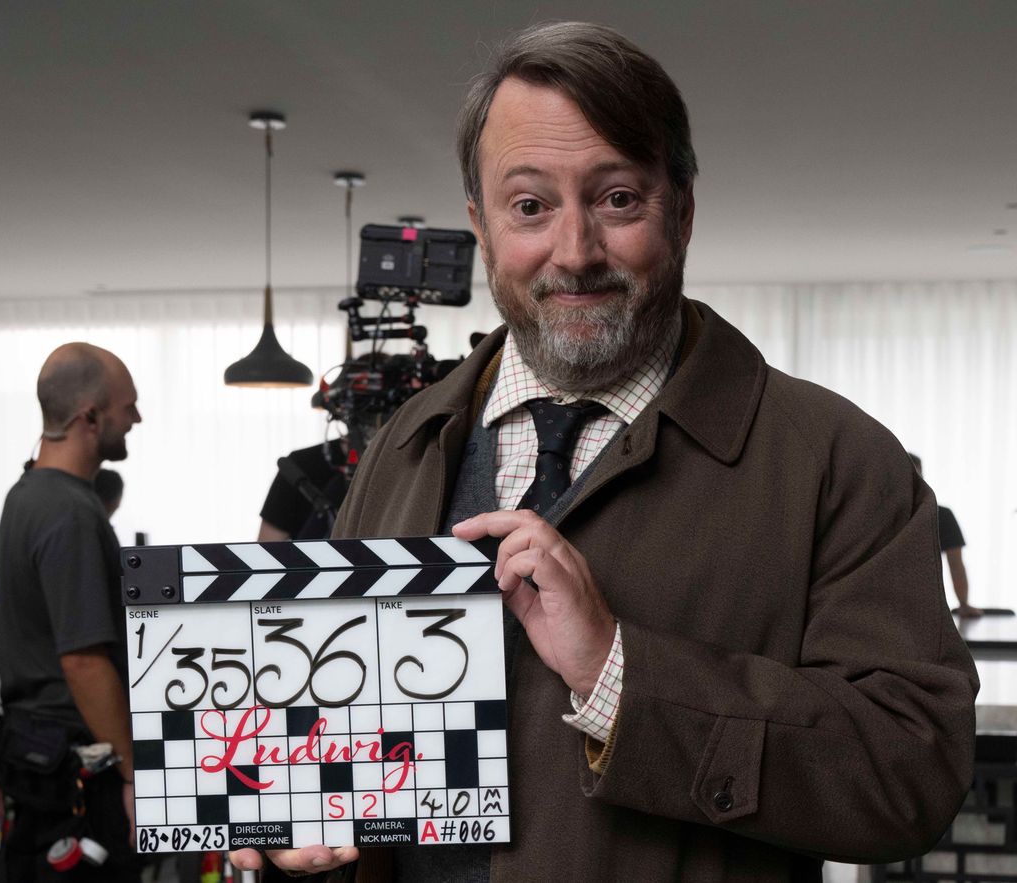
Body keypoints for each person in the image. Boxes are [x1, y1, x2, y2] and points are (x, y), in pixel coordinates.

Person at [232, 22, 978, 881]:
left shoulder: (837, 459)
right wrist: (285, 804)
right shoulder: (405, 442)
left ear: (684, 209)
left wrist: (618, 672)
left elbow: (911, 775)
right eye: (530, 206)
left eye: (618, 198)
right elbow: (337, 741)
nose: (575, 251)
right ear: (481, 226)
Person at [0, 343, 142, 882]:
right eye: (129, 407)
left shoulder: (26, 493)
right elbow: (83, 659)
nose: (136, 419)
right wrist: (132, 775)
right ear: (91, 416)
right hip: (75, 768)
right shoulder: (69, 512)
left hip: (38, 759)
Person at [908, 453, 983, 617]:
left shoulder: (941, 516)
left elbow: (956, 564)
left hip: (925, 607)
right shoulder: (877, 517)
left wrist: (963, 603)